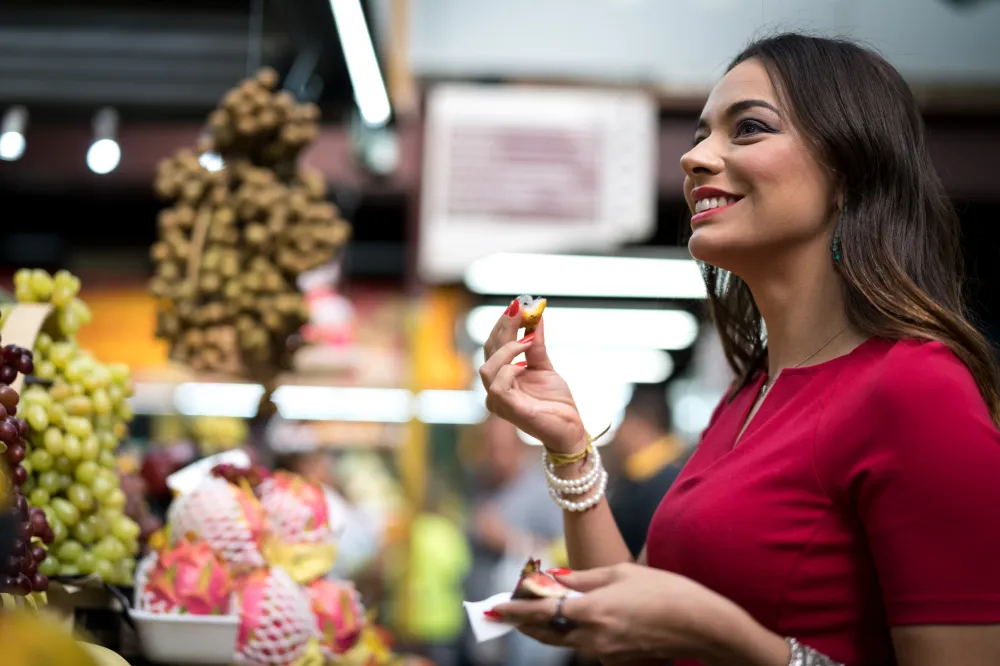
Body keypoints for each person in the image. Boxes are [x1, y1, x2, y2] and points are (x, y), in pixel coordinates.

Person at [475, 33, 1000, 666]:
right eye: (700, 135)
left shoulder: (917, 390)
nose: (696, 157)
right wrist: (568, 446)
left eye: (748, 128)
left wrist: (733, 640)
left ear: (850, 171)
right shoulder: (749, 394)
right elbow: (632, 633)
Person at [461, 415, 570, 666]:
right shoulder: (479, 485)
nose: (494, 457)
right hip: (483, 617)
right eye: (488, 447)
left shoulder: (542, 490)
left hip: (526, 626)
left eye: (501, 448)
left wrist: (508, 539)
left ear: (517, 448)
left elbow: (563, 551)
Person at [607, 384, 688, 559]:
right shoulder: (678, 470)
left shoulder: (660, 481)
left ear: (640, 424)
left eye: (623, 422)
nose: (617, 435)